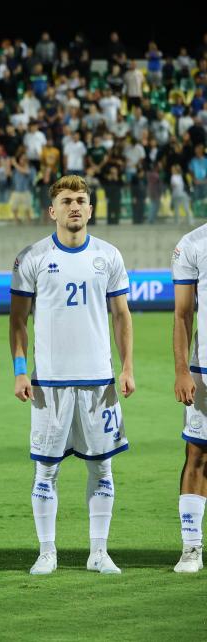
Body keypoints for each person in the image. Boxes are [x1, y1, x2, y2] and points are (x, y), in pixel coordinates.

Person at [10, 174, 134, 575]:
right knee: (46, 469)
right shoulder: (31, 257)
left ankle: (99, 552)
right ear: (53, 210)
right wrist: (20, 371)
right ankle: (47, 552)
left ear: (90, 209)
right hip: (49, 384)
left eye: (80, 200)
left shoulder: (108, 256)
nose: (74, 207)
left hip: (99, 383)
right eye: (66, 201)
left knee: (102, 468)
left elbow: (121, 315)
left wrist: (127, 367)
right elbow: (17, 321)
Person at [170, 224, 207, 573]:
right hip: (204, 368)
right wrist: (182, 370)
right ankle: (191, 547)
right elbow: (183, 313)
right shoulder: (192, 244)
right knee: (197, 453)